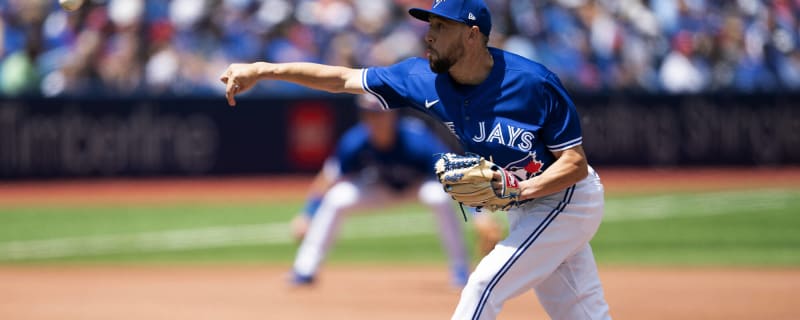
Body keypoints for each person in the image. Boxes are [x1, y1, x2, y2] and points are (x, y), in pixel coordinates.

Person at [220, 0, 611, 318]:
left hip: (567, 199)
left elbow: (574, 162)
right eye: (430, 25)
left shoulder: (533, 83)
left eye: (442, 27)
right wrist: (263, 69)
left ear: (472, 36)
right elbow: (341, 79)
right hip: (527, 206)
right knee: (582, 314)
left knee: (482, 286)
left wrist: (521, 189)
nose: (430, 35)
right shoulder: (420, 78)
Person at [289, 95, 501, 288]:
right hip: (379, 188)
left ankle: (460, 270)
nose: (374, 120)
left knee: (438, 197)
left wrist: (480, 215)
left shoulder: (416, 138)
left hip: (417, 187)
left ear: (393, 114)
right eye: (368, 114)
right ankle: (305, 269)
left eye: (379, 114)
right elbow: (328, 178)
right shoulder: (355, 141)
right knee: (337, 198)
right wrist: (307, 214)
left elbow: (456, 173)